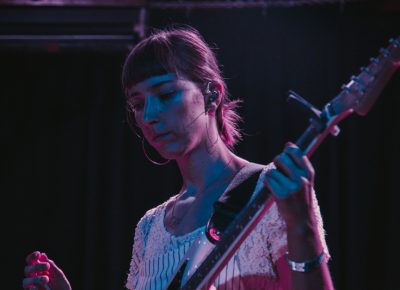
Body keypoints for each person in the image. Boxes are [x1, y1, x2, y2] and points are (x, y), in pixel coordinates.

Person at [23, 26, 335, 290]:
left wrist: (303, 229)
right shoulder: (149, 228)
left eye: (166, 94)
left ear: (211, 93)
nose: (149, 115)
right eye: (137, 103)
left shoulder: (270, 192)